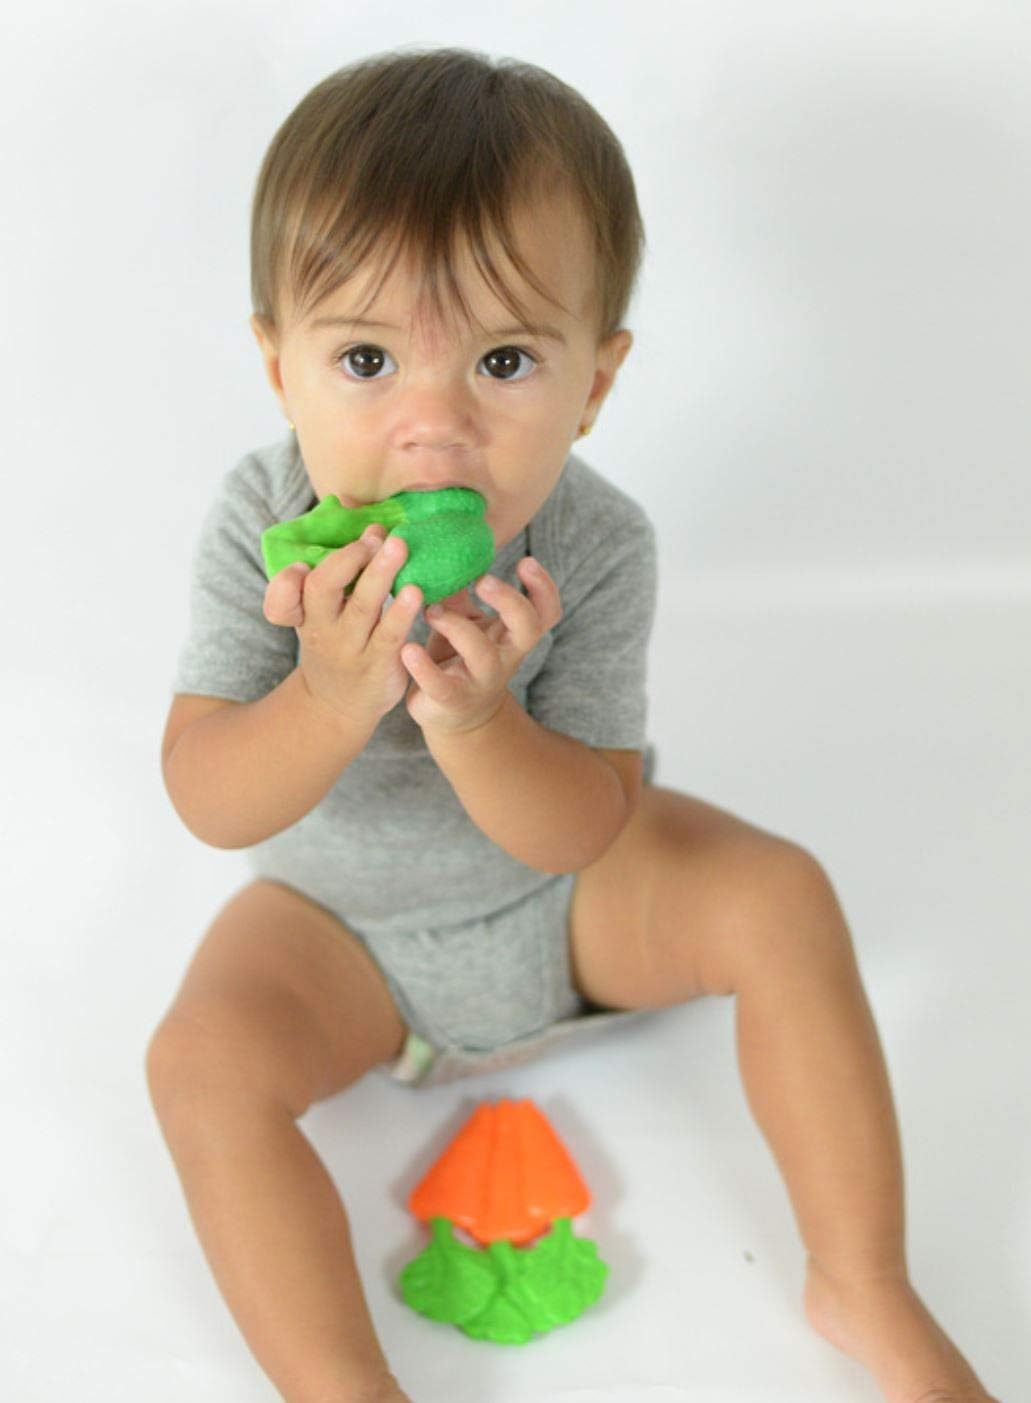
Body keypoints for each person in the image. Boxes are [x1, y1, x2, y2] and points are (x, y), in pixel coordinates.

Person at [146, 46, 998, 1403]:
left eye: (501, 361)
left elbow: (595, 817)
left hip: (566, 903)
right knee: (196, 1067)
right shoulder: (265, 528)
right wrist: (322, 694)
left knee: (782, 895)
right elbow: (210, 798)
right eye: (365, 359)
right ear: (276, 365)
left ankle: (867, 1279)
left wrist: (481, 720)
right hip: (338, 933)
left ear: (593, 382)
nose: (433, 429)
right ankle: (344, 1388)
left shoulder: (593, 544)